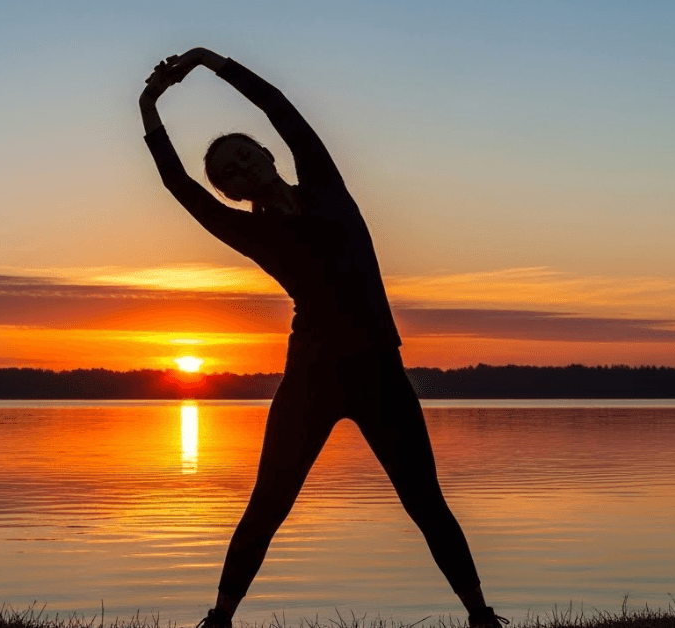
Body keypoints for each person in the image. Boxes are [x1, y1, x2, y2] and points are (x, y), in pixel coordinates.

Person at [139, 47, 505, 628]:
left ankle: (481, 616)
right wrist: (148, 105)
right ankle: (220, 619)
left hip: (380, 372)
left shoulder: (325, 186)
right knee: (270, 503)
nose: (238, 170)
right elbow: (178, 184)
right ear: (232, 193)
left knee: (424, 501)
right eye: (228, 174)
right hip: (311, 377)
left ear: (265, 152)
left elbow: (279, 106)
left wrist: (211, 61)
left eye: (242, 156)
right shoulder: (248, 230)